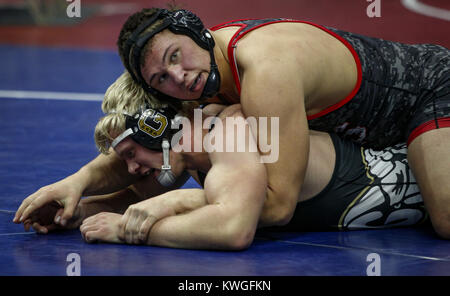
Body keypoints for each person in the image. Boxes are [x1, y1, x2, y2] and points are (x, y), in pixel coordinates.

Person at [116, 8, 450, 238]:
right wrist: (78, 186)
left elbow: (277, 207)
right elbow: (147, 147)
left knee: (446, 221)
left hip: (429, 90)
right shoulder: (198, 75)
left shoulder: (264, 69)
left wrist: (173, 203)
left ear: (196, 32)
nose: (177, 75)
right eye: (161, 78)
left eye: (175, 56)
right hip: (374, 133)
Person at [14, 72, 427, 250]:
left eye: (132, 155)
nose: (134, 168)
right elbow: (140, 192)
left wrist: (131, 231)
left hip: (424, 180)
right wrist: (76, 207)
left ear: (159, 126)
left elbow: (232, 228)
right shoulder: (192, 154)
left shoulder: (230, 127)